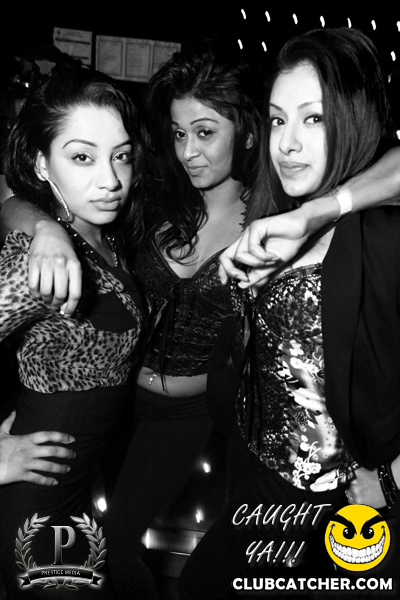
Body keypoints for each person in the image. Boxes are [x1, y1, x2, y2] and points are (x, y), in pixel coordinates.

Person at [2, 37, 400, 598]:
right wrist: (41, 226)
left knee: (121, 549)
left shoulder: (277, 215)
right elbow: (30, 194)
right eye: (178, 132)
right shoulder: (148, 199)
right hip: (119, 413)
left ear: (245, 133)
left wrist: (388, 479)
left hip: (198, 424)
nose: (188, 150)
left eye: (206, 132)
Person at [178, 27, 400, 599]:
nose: (288, 144)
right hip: (255, 478)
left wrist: (394, 480)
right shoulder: (279, 215)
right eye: (278, 120)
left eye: (314, 118)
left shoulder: (382, 233)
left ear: (354, 118)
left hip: (336, 509)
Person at [0, 65, 156, 599]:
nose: (110, 179)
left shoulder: (93, 234)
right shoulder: (38, 263)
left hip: (75, 495)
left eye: (121, 155)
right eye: (83, 157)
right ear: (42, 164)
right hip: (38, 510)